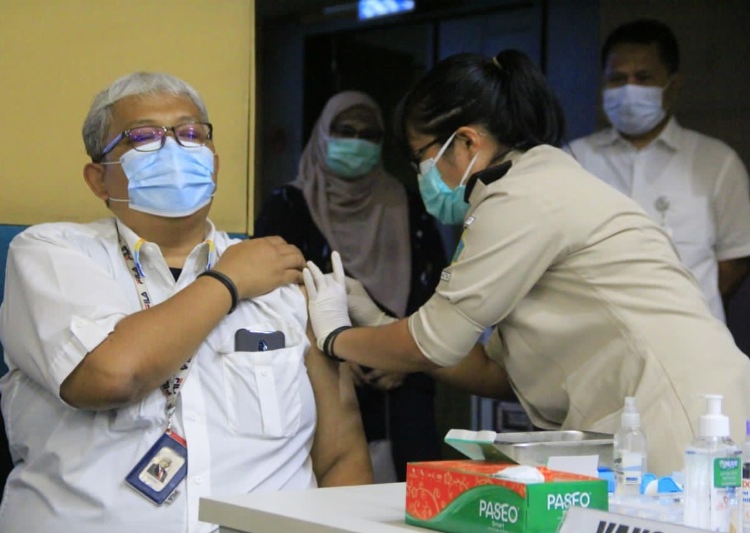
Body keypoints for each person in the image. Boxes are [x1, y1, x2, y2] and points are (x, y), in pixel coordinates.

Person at [301, 50, 750, 476]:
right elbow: (494, 371)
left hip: (680, 420)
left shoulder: (522, 199)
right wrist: (378, 320)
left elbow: (432, 343)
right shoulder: (524, 186)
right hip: (660, 418)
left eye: (421, 158)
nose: (423, 176)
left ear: (466, 142)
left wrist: (336, 337)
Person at [0, 72, 371, 533]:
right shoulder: (54, 253)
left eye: (191, 133)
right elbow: (111, 374)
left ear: (213, 164)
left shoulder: (280, 278)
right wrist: (229, 280)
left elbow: (342, 457)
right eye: (144, 137)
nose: (174, 147)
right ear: (98, 178)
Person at [254, 90, 445, 482]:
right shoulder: (288, 206)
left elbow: (439, 297)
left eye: (369, 134)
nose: (357, 140)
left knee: (414, 500)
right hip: (321, 375)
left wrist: (401, 356)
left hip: (406, 383)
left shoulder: (411, 208)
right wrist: (348, 350)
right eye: (346, 130)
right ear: (324, 134)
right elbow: (273, 296)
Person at [567, 18, 750, 323]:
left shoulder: (716, 161)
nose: (629, 89)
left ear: (672, 85)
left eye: (643, 78)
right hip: (593, 344)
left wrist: (686, 309)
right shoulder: (573, 159)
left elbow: (736, 259)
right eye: (617, 78)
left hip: (691, 344)